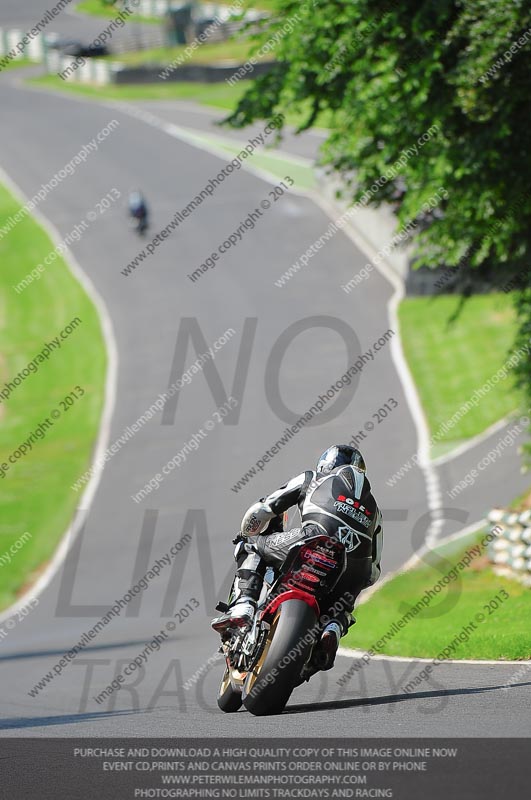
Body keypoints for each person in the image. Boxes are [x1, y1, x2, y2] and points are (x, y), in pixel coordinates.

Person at [211, 445, 383, 670]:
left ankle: (244, 603)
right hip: (355, 568)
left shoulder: (311, 477)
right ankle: (333, 627)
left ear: (325, 464)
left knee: (252, 546)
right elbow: (374, 571)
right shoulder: (375, 510)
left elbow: (264, 510)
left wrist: (247, 532)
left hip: (313, 539)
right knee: (342, 607)